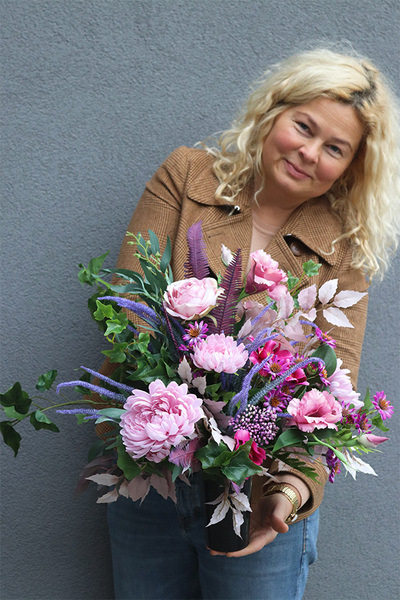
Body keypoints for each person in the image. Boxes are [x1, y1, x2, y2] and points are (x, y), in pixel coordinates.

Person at [103, 48, 399, 599]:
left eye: (334, 148)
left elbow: (333, 391)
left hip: (260, 494)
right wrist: (188, 416)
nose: (309, 153)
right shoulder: (187, 174)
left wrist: (289, 491)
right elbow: (126, 312)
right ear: (272, 112)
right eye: (303, 127)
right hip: (150, 475)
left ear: (352, 167)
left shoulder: (342, 251)